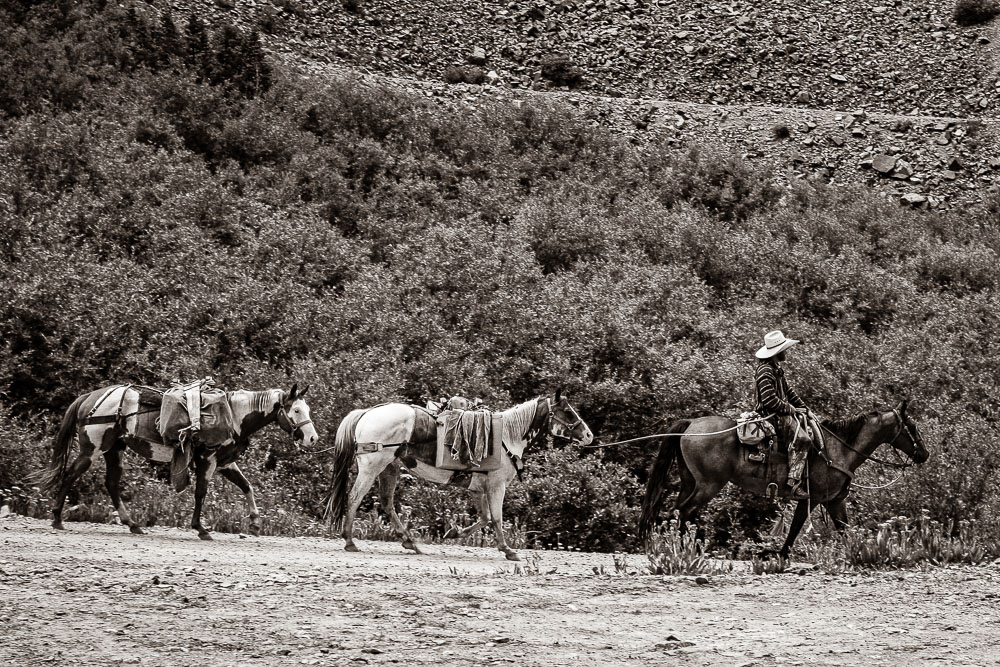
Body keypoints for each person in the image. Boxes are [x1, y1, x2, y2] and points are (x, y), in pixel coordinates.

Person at [753, 331, 822, 500]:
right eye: (784, 349)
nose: (786, 352)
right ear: (777, 352)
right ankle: (793, 484)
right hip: (771, 415)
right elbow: (769, 401)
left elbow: (789, 391)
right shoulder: (765, 372)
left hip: (781, 412)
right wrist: (792, 409)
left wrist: (805, 408)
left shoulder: (776, 369)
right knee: (803, 440)